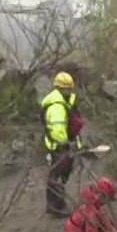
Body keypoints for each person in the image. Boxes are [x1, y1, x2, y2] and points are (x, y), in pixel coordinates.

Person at [41, 71, 84, 217]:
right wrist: (65, 144)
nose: (69, 91)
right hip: (57, 147)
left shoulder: (66, 102)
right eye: (67, 88)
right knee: (56, 176)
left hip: (65, 145)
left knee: (60, 175)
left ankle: (56, 204)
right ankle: (56, 207)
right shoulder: (56, 106)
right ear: (59, 88)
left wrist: (76, 144)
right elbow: (57, 129)